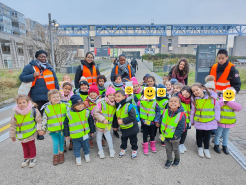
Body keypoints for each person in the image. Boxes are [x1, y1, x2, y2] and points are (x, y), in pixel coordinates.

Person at [19, 50, 59, 140]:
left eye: (45, 56)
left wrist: (57, 92)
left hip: (50, 95)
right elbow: (21, 78)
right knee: (38, 115)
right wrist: (33, 75)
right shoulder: (30, 67)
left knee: (51, 113)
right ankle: (39, 133)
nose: (43, 58)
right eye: (41, 56)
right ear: (37, 57)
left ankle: (53, 129)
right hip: (37, 96)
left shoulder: (49, 67)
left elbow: (55, 80)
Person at [9, 95, 43, 168]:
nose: (22, 104)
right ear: (17, 104)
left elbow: (39, 121)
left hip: (31, 133)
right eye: (20, 103)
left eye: (24, 102)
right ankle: (26, 158)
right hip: (21, 134)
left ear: (28, 102)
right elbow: (12, 125)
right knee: (24, 147)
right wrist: (12, 135)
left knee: (31, 146)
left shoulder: (33, 111)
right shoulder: (15, 113)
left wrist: (39, 130)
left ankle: (32, 158)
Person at [190, 83, 220, 159]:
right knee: (199, 135)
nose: (195, 92)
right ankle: (200, 148)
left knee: (207, 136)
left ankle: (206, 149)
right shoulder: (194, 100)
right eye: (193, 91)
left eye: (197, 90)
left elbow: (217, 108)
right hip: (199, 121)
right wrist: (192, 121)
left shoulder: (212, 98)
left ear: (202, 88)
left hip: (210, 121)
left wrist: (217, 118)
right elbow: (193, 111)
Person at [39, 89, 69, 165]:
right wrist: (43, 129)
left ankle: (61, 154)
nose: (56, 98)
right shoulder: (47, 108)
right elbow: (44, 119)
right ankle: (55, 155)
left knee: (62, 142)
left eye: (57, 97)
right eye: (53, 97)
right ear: (50, 99)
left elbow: (69, 117)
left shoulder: (65, 106)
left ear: (60, 97)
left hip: (62, 130)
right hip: (53, 130)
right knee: (55, 143)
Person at [63, 95, 95, 165]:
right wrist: (67, 134)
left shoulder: (87, 112)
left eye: (81, 104)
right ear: (73, 106)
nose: (80, 106)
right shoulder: (69, 114)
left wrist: (92, 131)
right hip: (75, 135)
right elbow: (65, 125)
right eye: (78, 104)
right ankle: (78, 157)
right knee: (76, 147)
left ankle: (86, 154)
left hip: (85, 134)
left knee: (86, 145)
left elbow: (91, 122)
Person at [158, 96, 185, 169]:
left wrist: (176, 135)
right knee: (168, 149)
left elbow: (181, 127)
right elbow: (161, 120)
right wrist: (158, 123)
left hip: (174, 137)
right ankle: (169, 160)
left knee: (176, 149)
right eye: (171, 101)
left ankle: (177, 159)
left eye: (175, 101)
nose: (173, 102)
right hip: (165, 135)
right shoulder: (165, 111)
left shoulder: (181, 115)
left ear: (179, 105)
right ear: (168, 103)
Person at [214, 87, 242, 155]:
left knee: (225, 135)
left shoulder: (233, 102)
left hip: (229, 122)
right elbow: (217, 105)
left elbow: (238, 108)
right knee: (218, 134)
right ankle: (216, 145)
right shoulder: (220, 100)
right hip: (220, 122)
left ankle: (225, 146)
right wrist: (224, 101)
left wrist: (228, 102)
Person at [113, 90, 139, 159]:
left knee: (133, 140)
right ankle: (123, 149)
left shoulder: (129, 106)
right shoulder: (117, 106)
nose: (116, 98)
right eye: (115, 96)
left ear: (124, 97)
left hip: (132, 127)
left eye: (118, 96)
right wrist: (115, 126)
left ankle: (134, 150)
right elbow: (116, 117)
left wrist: (123, 121)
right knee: (123, 140)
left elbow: (132, 117)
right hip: (124, 128)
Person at [138, 76, 161, 155]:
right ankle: (145, 146)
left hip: (153, 121)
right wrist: (139, 118)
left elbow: (158, 111)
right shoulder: (140, 102)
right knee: (145, 133)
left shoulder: (155, 102)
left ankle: (152, 145)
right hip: (144, 121)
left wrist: (157, 120)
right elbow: (137, 110)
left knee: (152, 133)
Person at [93, 87, 117, 158]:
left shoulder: (115, 105)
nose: (112, 97)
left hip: (108, 125)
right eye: (110, 95)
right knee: (99, 137)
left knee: (108, 137)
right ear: (107, 96)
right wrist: (103, 119)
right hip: (100, 124)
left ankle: (111, 150)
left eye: (114, 95)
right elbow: (96, 113)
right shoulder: (101, 103)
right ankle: (100, 151)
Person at [84, 83, 104, 148]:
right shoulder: (86, 101)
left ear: (97, 93)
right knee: (90, 129)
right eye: (91, 92)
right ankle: (90, 140)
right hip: (90, 118)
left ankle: (100, 138)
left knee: (99, 129)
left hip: (98, 117)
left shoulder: (100, 101)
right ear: (89, 93)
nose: (92, 94)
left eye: (94, 92)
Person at [174, 86, 192, 154]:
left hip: (186, 121)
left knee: (185, 133)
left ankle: (181, 144)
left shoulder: (189, 100)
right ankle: (177, 145)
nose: (187, 94)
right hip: (179, 121)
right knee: (178, 133)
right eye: (186, 92)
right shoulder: (177, 99)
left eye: (189, 93)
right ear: (182, 90)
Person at [60, 82, 73, 152]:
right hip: (62, 116)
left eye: (69, 89)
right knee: (63, 130)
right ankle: (63, 144)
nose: (67, 90)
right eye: (65, 88)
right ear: (62, 88)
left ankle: (71, 142)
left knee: (70, 129)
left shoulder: (71, 97)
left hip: (69, 116)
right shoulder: (59, 97)